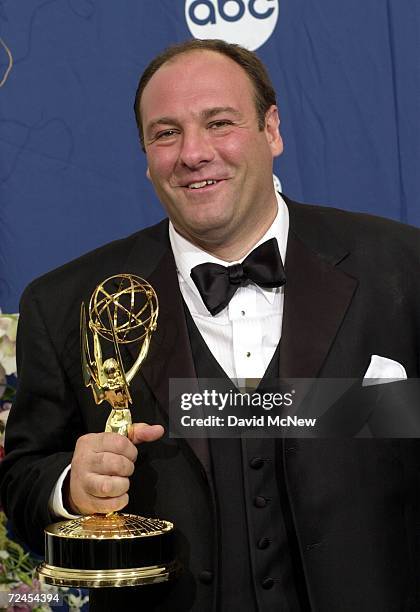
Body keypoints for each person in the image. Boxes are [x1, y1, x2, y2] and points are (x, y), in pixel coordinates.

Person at [1, 38, 420, 611]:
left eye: (219, 122)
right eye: (166, 132)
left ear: (271, 130)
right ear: (146, 153)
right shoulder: (65, 302)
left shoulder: (401, 268)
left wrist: (379, 409)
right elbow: (24, 479)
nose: (193, 153)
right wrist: (71, 488)